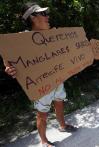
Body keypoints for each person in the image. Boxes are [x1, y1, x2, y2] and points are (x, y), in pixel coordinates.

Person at [4, 2, 77, 147]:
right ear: (32, 17)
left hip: (57, 80)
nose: (47, 16)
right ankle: (44, 142)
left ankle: (62, 126)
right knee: (42, 114)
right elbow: (7, 55)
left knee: (59, 104)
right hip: (41, 86)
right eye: (43, 14)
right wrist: (8, 68)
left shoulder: (53, 34)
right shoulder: (22, 38)